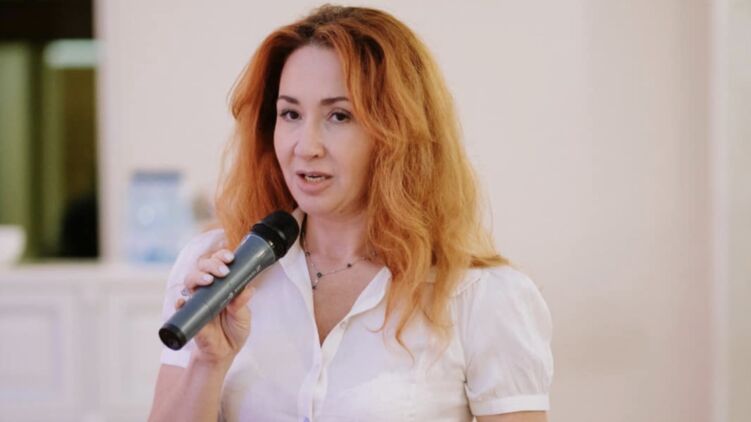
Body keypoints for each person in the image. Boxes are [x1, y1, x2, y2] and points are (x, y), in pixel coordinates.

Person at [149, 5, 553, 422]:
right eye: (290, 114)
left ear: (398, 132)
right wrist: (208, 363)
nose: (305, 146)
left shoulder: (482, 295)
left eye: (339, 116)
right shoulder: (215, 269)